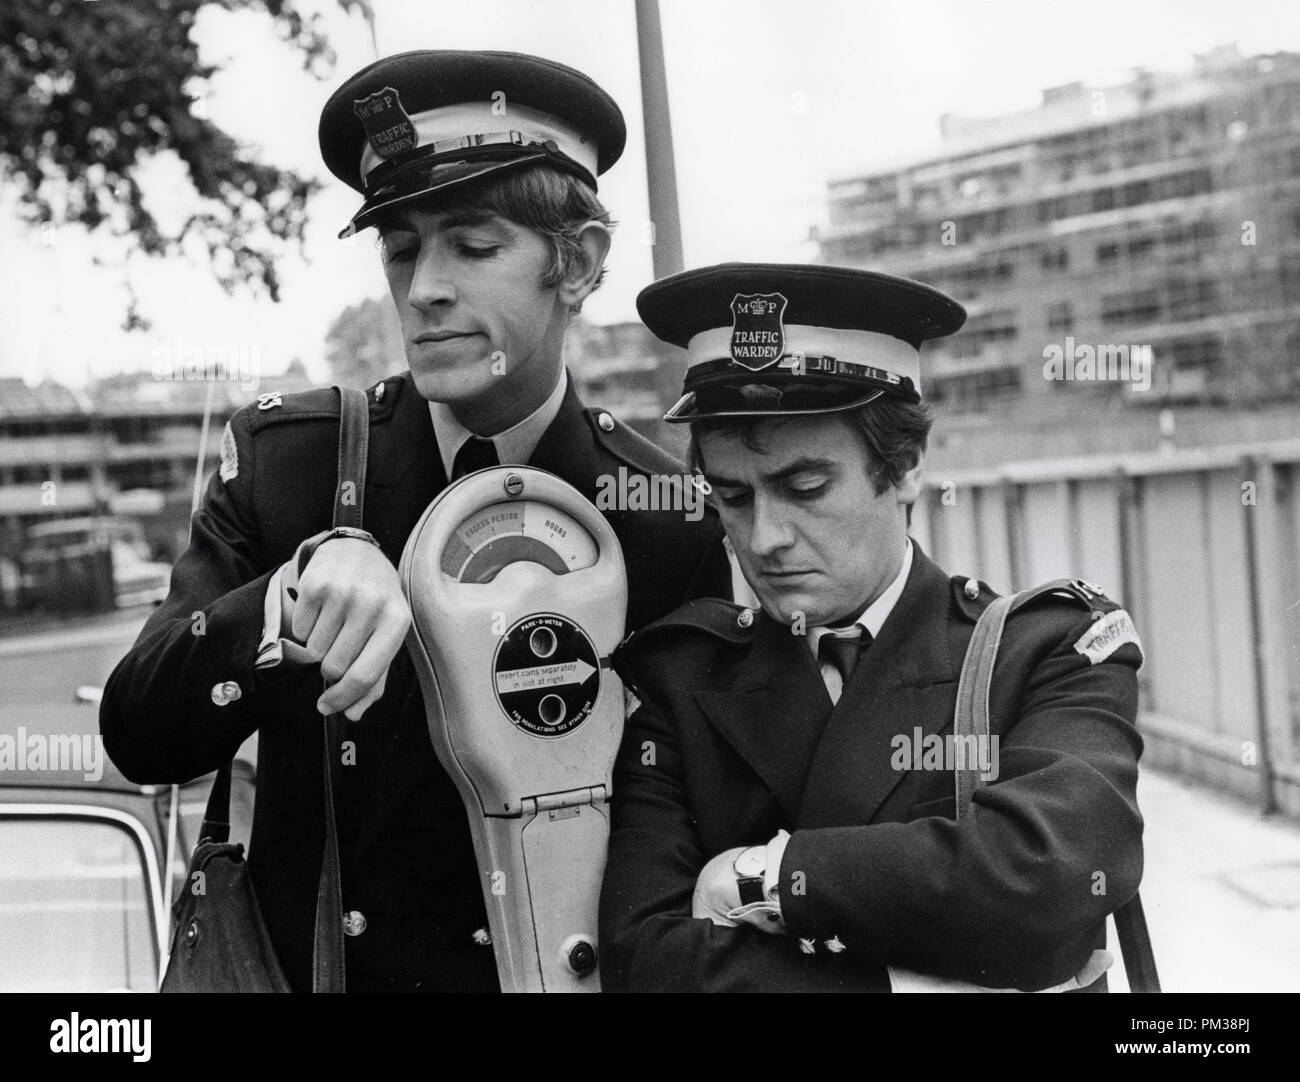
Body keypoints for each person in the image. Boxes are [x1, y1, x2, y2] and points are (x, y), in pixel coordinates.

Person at [100, 50, 730, 992]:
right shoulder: (294, 467)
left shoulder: (664, 515)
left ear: (581, 264)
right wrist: (286, 603)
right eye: (401, 248)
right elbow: (140, 731)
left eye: (472, 247)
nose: (423, 288)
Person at [598, 262, 1146, 992]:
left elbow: (1050, 870)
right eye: (732, 496)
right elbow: (645, 961)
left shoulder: (1048, 647)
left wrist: (767, 874)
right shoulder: (678, 676)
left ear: (908, 465)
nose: (764, 539)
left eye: (805, 488)